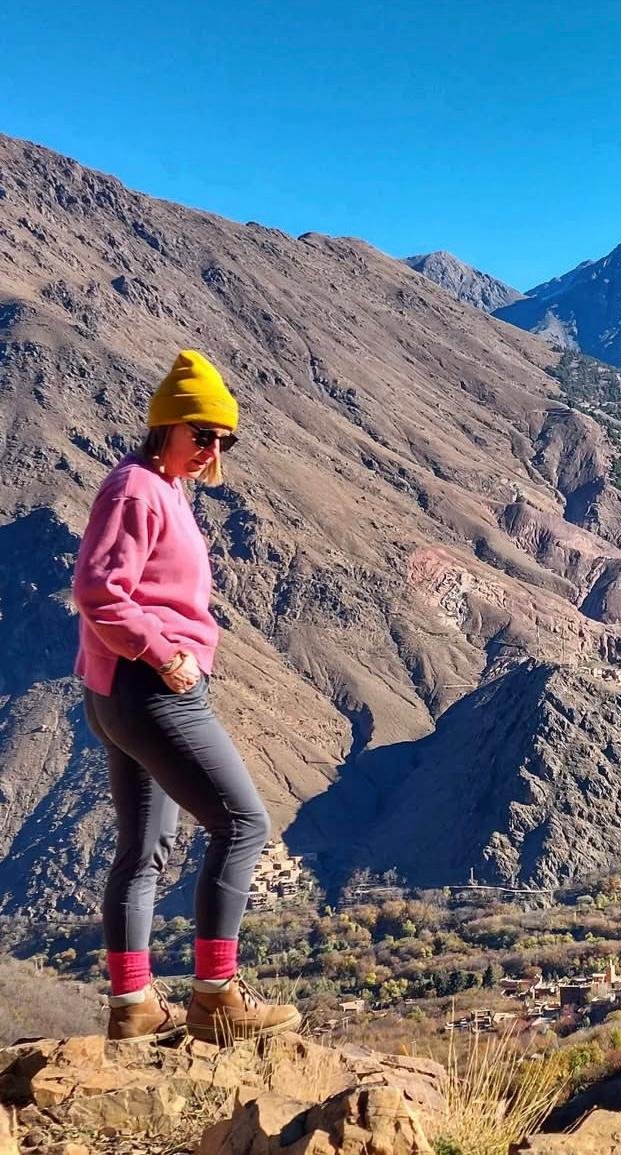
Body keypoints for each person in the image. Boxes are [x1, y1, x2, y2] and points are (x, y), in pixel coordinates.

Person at [73, 349, 300, 1044]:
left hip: (123, 691)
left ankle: (133, 1003)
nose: (211, 450)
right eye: (201, 433)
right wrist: (162, 652)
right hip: (150, 690)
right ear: (165, 425)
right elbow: (96, 589)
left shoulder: (161, 485)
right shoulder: (137, 489)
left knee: (145, 850)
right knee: (243, 824)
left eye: (222, 439)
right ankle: (215, 996)